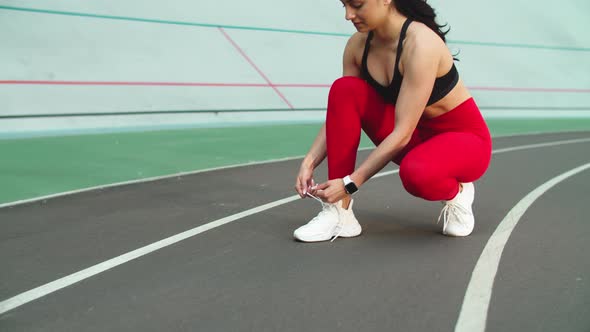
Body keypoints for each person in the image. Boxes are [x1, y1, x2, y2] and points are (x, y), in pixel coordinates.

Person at [293, 0, 492, 242]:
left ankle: (458, 193)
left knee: (417, 173)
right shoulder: (358, 46)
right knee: (345, 89)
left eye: (356, 4)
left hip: (464, 142)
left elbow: (402, 133)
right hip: (413, 137)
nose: (348, 15)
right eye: (343, 5)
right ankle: (340, 213)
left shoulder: (421, 44)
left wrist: (350, 183)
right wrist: (310, 160)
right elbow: (340, 114)